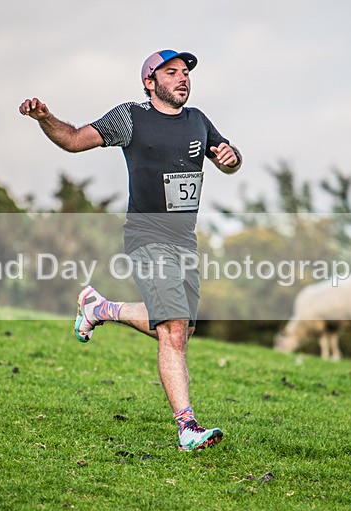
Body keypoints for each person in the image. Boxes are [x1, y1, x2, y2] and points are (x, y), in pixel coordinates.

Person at [19, 49, 241, 451]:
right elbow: (72, 140)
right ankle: (187, 427)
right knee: (172, 330)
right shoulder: (131, 117)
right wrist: (45, 119)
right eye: (170, 73)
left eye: (185, 73)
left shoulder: (198, 121)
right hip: (147, 235)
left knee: (181, 329)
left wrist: (231, 158)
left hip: (184, 241)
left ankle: (100, 309)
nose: (182, 78)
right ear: (149, 82)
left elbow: (227, 158)